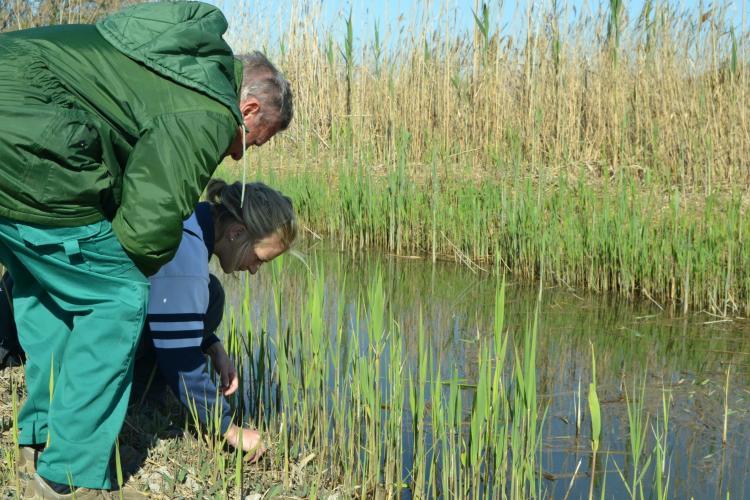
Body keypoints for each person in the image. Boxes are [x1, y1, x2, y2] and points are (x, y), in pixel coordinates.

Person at [0, 1, 293, 497]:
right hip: (29, 134)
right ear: (246, 110)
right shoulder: (206, 110)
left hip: (17, 121)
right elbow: (147, 224)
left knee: (48, 286)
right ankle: (66, 479)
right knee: (118, 295)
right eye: (252, 142)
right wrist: (159, 282)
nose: (238, 154)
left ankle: (40, 435)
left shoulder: (175, 67)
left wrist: (203, 334)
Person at [2, 179, 296, 458]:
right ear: (236, 232)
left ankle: (140, 392)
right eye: (260, 258)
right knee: (200, 304)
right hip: (40, 320)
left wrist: (212, 344)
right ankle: (132, 396)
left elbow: (166, 292)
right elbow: (181, 360)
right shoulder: (187, 254)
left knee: (212, 293)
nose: (256, 269)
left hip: (32, 291)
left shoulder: (189, 217)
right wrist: (228, 429)